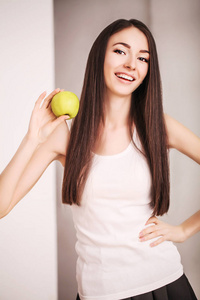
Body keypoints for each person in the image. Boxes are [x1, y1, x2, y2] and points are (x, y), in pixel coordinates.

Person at [0, 19, 199, 300]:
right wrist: (32, 138)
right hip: (98, 292)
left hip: (162, 283)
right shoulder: (66, 135)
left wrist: (183, 230)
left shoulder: (158, 127)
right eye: (120, 51)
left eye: (143, 58)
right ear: (99, 58)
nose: (132, 64)